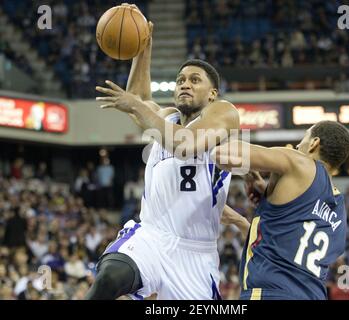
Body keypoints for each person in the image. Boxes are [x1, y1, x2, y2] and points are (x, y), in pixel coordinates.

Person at [87, 10, 240, 300]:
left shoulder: (223, 113)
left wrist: (139, 107)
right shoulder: (166, 118)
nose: (185, 84)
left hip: (195, 254)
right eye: (181, 79)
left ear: (213, 93)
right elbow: (140, 102)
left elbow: (186, 144)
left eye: (195, 80)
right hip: (152, 237)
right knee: (110, 277)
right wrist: (143, 48)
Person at [214, 120, 349, 300]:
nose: (297, 145)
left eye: (304, 138)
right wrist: (246, 216)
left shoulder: (301, 162)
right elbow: (284, 244)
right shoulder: (339, 210)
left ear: (314, 143)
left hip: (271, 293)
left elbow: (222, 154)